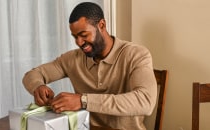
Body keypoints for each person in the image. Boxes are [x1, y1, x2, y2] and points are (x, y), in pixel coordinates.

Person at [23, 2, 157, 130]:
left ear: (102, 25)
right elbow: (32, 75)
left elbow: (145, 101)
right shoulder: (72, 58)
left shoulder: (136, 54)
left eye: (84, 35)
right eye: (75, 37)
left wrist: (83, 101)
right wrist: (38, 86)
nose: (79, 42)